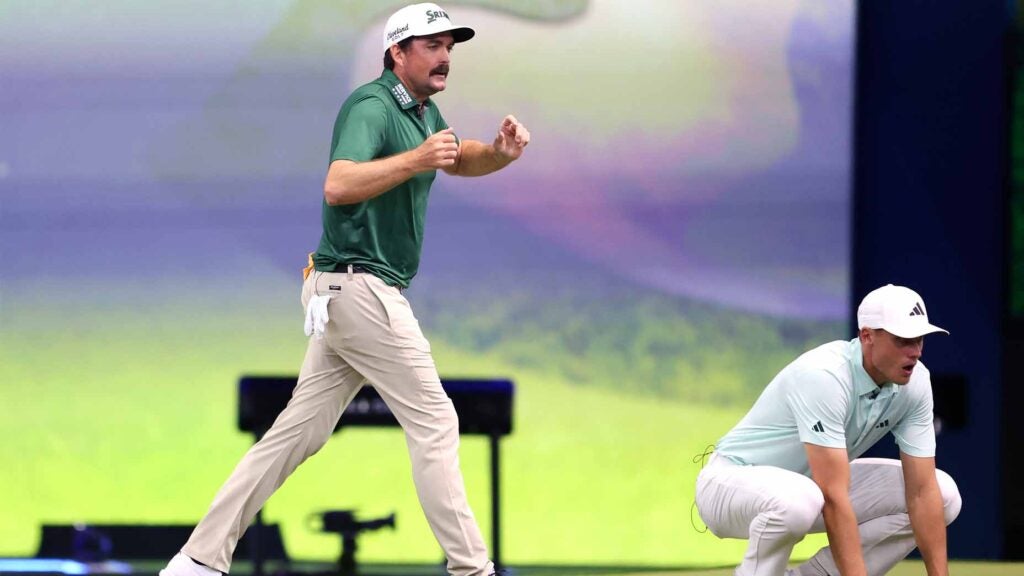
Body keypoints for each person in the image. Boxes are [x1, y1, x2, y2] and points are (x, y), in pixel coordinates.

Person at [159, 4, 529, 576]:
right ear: (397, 53)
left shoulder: (420, 111)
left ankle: (197, 562)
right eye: (432, 45)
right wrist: (414, 160)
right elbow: (338, 184)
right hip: (360, 286)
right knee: (435, 420)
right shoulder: (372, 104)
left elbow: (456, 156)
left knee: (294, 435)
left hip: (338, 290)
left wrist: (499, 154)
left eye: (450, 45)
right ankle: (472, 570)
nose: (446, 55)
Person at [695, 284, 962, 576]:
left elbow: (922, 493)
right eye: (903, 340)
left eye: (919, 339)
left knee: (943, 495)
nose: (915, 352)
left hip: (811, 488)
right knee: (801, 499)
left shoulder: (916, 383)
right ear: (867, 336)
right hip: (729, 483)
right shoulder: (825, 376)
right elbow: (833, 495)